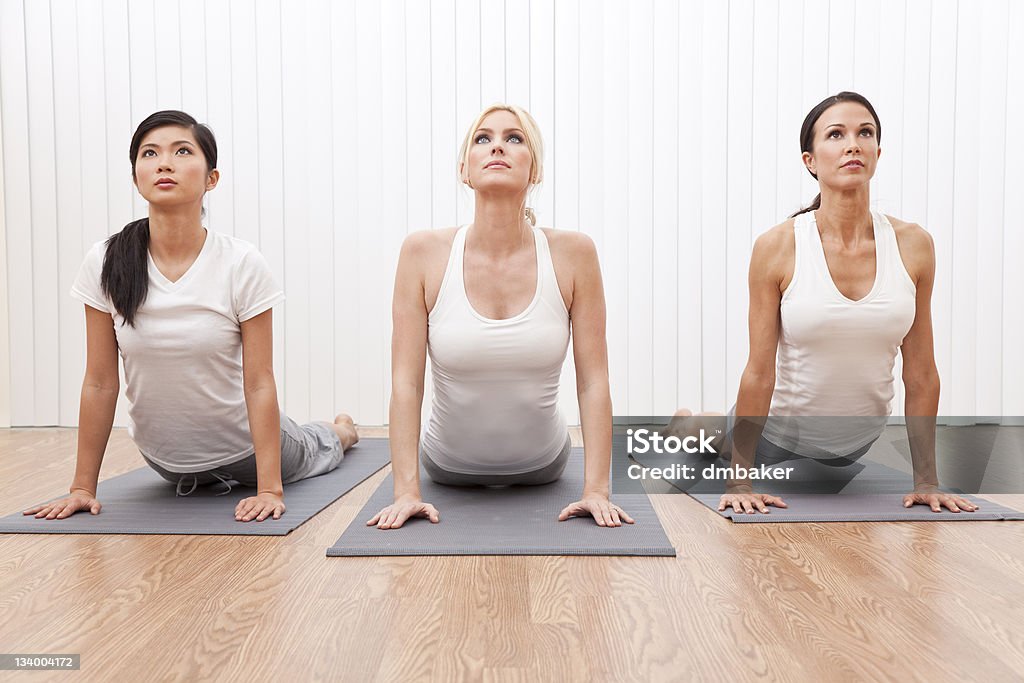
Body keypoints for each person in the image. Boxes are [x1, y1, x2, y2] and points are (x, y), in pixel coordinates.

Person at [23, 110, 358, 523]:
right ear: (136, 178)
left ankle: (341, 430)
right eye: (150, 153)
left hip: (246, 451)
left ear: (211, 179)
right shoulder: (106, 261)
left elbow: (258, 382)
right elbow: (99, 382)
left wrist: (270, 488)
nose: (164, 162)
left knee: (314, 446)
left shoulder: (240, 262)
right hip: (167, 463)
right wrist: (81, 489)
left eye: (182, 151)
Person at [678, 92, 977, 515]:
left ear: (877, 152)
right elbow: (760, 371)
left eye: (864, 133)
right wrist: (740, 481)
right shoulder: (778, 246)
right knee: (708, 437)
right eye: (836, 134)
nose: (852, 143)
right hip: (774, 437)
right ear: (810, 161)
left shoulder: (914, 245)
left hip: (852, 446)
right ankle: (688, 423)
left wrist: (927, 481)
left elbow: (922, 371)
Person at [367, 104, 632, 530]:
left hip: (545, 465)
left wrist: (597, 491)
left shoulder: (574, 254)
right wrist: (406, 492)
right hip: (446, 466)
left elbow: (593, 380)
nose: (497, 147)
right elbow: (406, 381)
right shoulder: (422, 253)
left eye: (514, 138)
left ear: (535, 171)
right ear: (464, 170)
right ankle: (342, 432)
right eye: (482, 138)